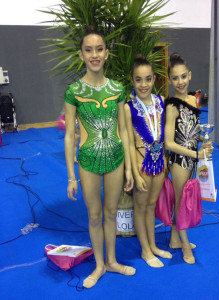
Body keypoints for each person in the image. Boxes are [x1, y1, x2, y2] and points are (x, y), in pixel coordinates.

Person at [64, 25, 135, 289]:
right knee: (94, 216)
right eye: (88, 50)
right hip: (88, 161)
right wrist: (71, 176)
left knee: (111, 212)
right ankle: (99, 265)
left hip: (116, 157)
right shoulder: (73, 91)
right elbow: (70, 135)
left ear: (107, 53)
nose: (94, 54)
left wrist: (128, 169)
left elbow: (124, 131)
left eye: (99, 49)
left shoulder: (117, 88)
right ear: (81, 54)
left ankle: (113, 261)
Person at [164, 52, 213, 264]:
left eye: (183, 76)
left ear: (190, 75)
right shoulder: (172, 106)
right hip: (179, 161)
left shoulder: (193, 100)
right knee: (181, 203)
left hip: (192, 159)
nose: (180, 82)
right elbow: (169, 142)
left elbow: (192, 130)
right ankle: (185, 246)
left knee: (182, 200)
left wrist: (204, 139)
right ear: (169, 80)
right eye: (175, 78)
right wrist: (196, 153)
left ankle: (175, 239)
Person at [125, 55, 172, 268]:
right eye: (138, 80)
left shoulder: (161, 101)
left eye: (148, 79)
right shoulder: (128, 108)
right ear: (132, 80)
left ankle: (153, 245)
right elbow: (127, 141)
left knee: (151, 206)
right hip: (141, 164)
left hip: (159, 163)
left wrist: (166, 162)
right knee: (141, 207)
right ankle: (145, 250)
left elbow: (163, 135)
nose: (143, 85)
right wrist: (134, 172)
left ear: (154, 79)